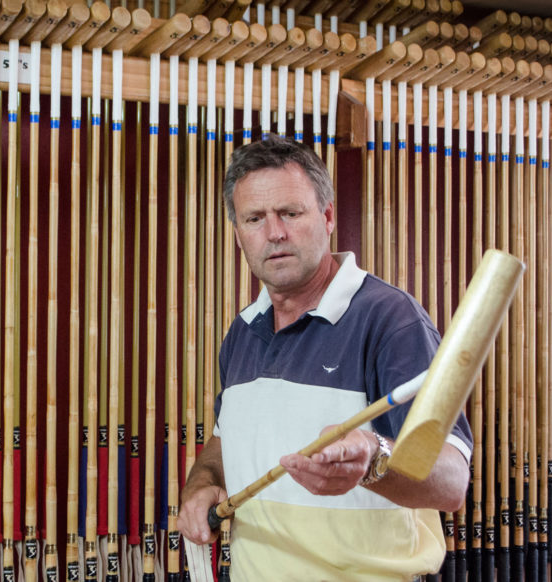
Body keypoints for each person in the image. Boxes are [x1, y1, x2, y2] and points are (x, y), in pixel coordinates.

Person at [177, 136, 473, 581]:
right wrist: (201, 484)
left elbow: (451, 481)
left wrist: (373, 458)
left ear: (328, 216)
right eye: (254, 218)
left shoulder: (390, 319)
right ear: (238, 234)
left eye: (290, 213)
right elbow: (226, 443)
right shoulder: (243, 332)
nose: (274, 232)